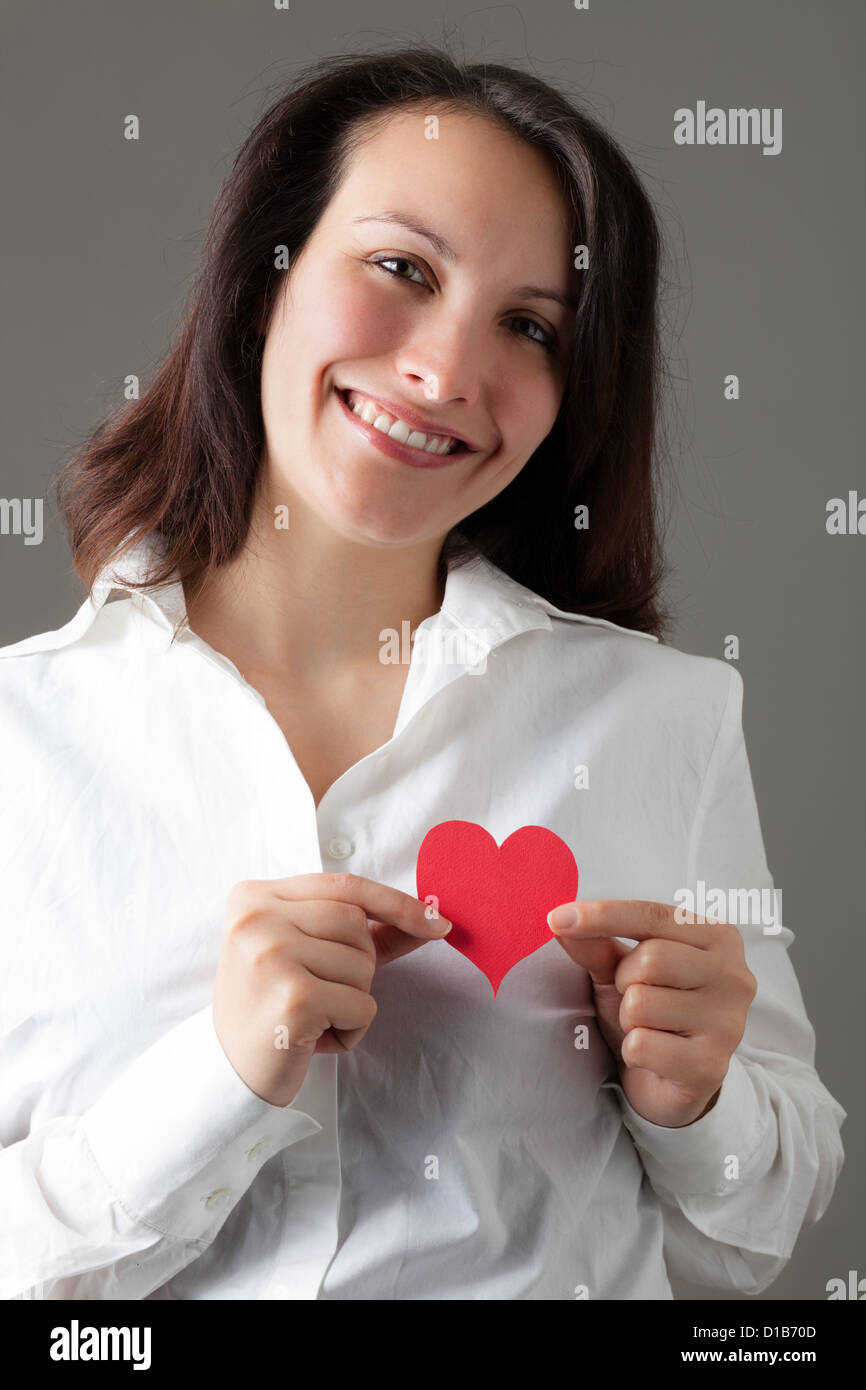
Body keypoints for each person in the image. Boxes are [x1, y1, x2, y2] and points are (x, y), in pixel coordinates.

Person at [0, 44, 846, 1301]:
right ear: (261, 282)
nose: (446, 374)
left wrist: (696, 1103)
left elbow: (754, 1234)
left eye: (527, 326)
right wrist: (217, 1078)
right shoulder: (25, 740)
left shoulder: (664, 717)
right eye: (401, 267)